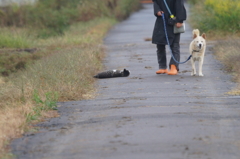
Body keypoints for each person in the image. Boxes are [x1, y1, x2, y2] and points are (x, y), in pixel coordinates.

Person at [152, 0, 186, 75]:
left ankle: (173, 67)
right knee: (160, 44)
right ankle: (162, 67)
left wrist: (180, 20)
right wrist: (157, 11)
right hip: (161, 21)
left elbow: (180, 6)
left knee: (175, 45)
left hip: (174, 22)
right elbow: (156, 2)